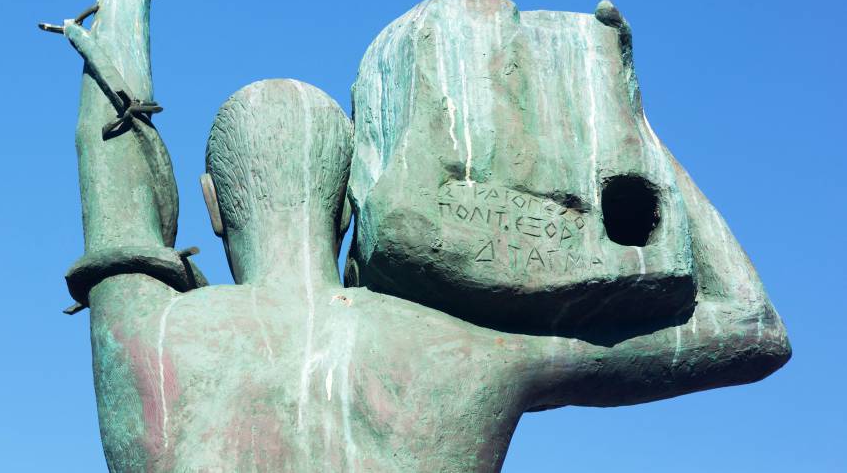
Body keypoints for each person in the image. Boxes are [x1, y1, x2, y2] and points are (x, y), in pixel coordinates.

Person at [86, 78, 789, 473]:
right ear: (347, 209)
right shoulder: (465, 353)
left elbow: (115, 188)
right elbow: (751, 328)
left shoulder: (155, 334)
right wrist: (623, 118)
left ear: (211, 203)